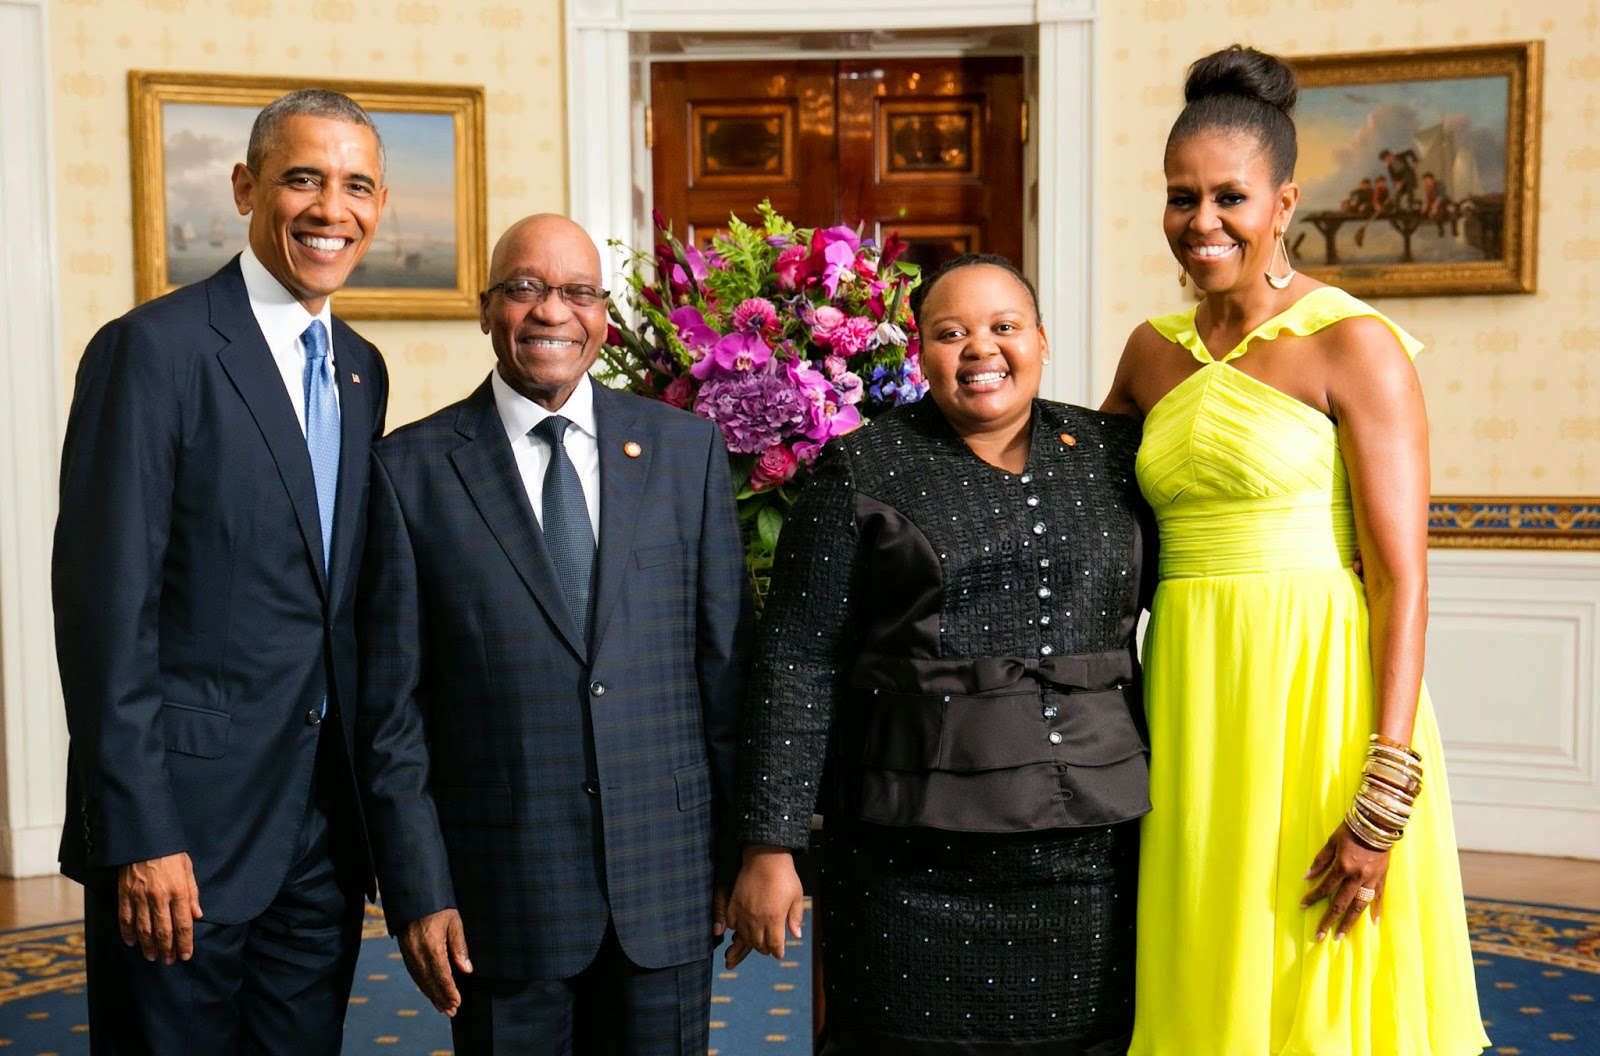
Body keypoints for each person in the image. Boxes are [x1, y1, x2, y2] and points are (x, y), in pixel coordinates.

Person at [1100, 45, 1489, 1054]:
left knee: (1313, 964)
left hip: (1319, 696)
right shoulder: (1149, 353)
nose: (1202, 221)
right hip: (1187, 694)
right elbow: (1083, 522)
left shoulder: (1352, 342)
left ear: (1283, 203)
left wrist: (1384, 791)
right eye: (1181, 197)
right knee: (1207, 952)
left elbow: (1400, 579)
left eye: (1229, 196)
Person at [728, 253, 1156, 1055]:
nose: (980, 348)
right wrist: (769, 845)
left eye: (1004, 326)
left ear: (1042, 340)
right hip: (905, 860)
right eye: (950, 333)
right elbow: (797, 661)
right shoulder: (860, 467)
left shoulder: (1113, 453)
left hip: (1094, 852)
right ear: (919, 354)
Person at [354, 213, 751, 1055]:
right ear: (486, 307)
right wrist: (420, 890)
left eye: (577, 292)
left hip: (668, 880)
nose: (551, 312)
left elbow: (724, 675)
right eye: (525, 288)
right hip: (501, 895)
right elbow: (391, 715)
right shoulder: (408, 472)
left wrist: (742, 854)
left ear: (604, 315)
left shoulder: (686, 453)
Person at [52, 89, 390, 1052]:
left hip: (319, 835)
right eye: (302, 179)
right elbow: (105, 614)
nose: (331, 209)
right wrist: (140, 832)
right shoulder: (151, 351)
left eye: (356, 186)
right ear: (246, 188)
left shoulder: (361, 367)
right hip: (182, 831)